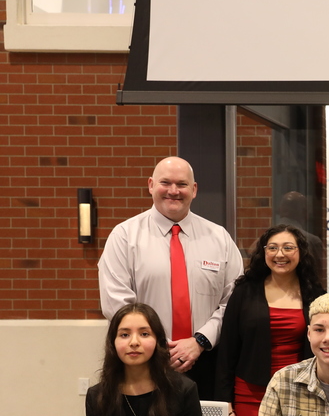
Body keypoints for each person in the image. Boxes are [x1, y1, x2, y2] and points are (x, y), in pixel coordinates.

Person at [98, 156, 244, 399]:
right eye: (165, 183)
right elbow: (117, 302)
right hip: (141, 363)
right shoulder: (124, 236)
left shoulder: (219, 238)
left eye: (182, 184)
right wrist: (157, 344)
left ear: (194, 189)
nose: (174, 191)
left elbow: (234, 301)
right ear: (150, 185)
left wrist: (199, 341)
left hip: (206, 361)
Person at [215, 224, 324, 416]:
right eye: (272, 248)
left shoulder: (315, 293)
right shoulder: (244, 292)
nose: (279, 254)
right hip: (251, 394)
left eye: (288, 248)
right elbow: (227, 352)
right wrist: (226, 409)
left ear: (300, 252)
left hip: (301, 394)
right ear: (263, 252)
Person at [86, 303, 207, 416]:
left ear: (158, 341)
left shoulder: (184, 390)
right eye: (125, 335)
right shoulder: (97, 395)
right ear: (113, 343)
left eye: (144, 334)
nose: (134, 342)